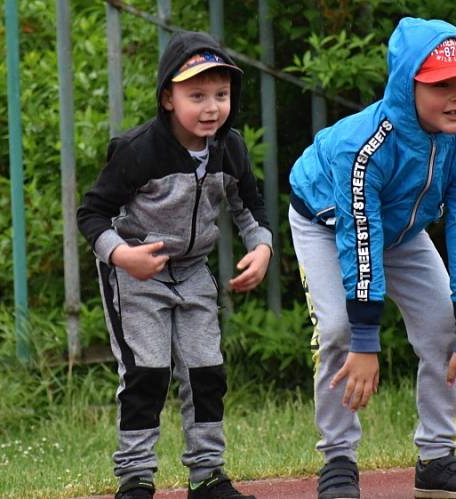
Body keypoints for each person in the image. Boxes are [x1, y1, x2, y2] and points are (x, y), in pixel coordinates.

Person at [288, 17, 456, 499]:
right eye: (441, 86)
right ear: (408, 86)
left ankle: (437, 459)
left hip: (403, 228)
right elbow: (359, 238)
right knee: (340, 329)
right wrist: (366, 340)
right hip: (328, 222)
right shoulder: (363, 146)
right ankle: (338, 460)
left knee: (444, 323)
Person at [78, 31, 271, 499]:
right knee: (147, 373)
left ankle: (207, 475)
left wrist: (261, 246)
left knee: (207, 372)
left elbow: (251, 205)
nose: (211, 107)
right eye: (197, 95)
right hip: (135, 272)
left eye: (221, 95)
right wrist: (123, 255)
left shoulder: (231, 148)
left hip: (192, 272)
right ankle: (136, 477)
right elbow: (92, 213)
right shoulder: (139, 150)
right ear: (168, 97)